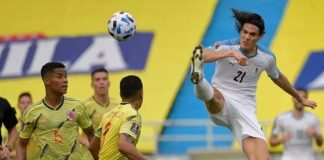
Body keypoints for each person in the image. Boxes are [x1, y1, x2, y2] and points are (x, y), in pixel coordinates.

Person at [190, 9, 317, 160]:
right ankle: (199, 80)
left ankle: (199, 82)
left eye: (252, 34)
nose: (246, 37)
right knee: (214, 96)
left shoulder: (267, 58)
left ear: (260, 36)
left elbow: (277, 77)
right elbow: (202, 54)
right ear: (241, 30)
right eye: (244, 32)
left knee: (260, 157)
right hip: (223, 96)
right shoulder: (226, 47)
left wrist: (299, 97)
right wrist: (231, 54)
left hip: (246, 107)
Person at [16, 62, 95, 160]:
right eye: (60, 77)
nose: (65, 80)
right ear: (47, 80)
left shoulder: (77, 106)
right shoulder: (32, 112)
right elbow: (21, 145)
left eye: (66, 77)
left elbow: (91, 135)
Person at [89, 75, 148, 160]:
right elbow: (124, 145)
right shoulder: (132, 114)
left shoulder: (108, 115)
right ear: (141, 94)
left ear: (120, 94)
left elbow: (93, 147)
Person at [269, 89, 323, 160]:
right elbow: (271, 142)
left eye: (303, 98)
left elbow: (320, 143)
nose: (300, 100)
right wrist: (282, 139)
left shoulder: (313, 118)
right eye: (297, 97)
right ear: (292, 98)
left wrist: (315, 134)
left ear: (307, 99)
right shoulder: (281, 118)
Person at [78, 68, 119, 159]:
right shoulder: (84, 106)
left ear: (109, 83)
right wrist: (91, 143)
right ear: (92, 84)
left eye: (104, 79)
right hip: (89, 156)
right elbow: (70, 130)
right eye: (97, 80)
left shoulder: (117, 106)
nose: (102, 82)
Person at [9, 92, 33, 159]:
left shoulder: (39, 124)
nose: (26, 105)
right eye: (22, 103)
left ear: (33, 104)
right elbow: (7, 150)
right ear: (18, 105)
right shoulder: (13, 127)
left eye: (28, 102)